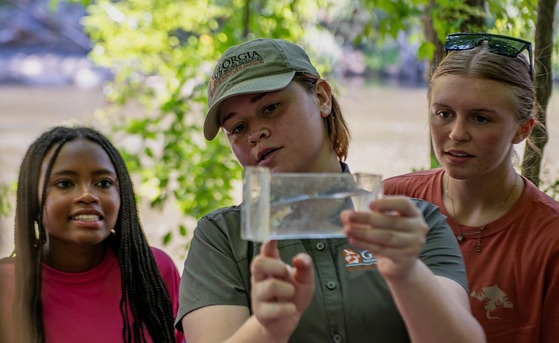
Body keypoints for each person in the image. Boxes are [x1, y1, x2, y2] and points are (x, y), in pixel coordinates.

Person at [175, 37, 485, 342]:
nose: (257, 133)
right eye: (238, 128)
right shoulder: (220, 238)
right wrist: (267, 330)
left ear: (322, 98)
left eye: (270, 107)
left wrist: (407, 274)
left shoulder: (414, 224)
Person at [383, 32, 559, 343]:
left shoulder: (549, 239)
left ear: (522, 130)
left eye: (480, 118)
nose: (456, 133)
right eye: (444, 114)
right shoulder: (391, 201)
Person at [0, 126, 184, 343]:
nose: (87, 195)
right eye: (65, 183)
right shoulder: (6, 284)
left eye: (103, 183)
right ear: (34, 198)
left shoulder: (154, 271)